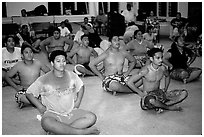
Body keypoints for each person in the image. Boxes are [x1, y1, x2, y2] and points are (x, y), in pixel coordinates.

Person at [25, 50, 100, 135]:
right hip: (53, 115)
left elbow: (81, 86)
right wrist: (40, 106)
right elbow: (29, 93)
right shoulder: (44, 79)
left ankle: (60, 131)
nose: (62, 63)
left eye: (64, 61)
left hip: (70, 113)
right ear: (52, 63)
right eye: (58, 61)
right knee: (46, 122)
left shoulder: (72, 75)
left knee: (91, 117)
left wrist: (78, 101)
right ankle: (81, 132)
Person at [127, 48, 188, 113]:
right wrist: (140, 93)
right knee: (151, 101)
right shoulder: (145, 70)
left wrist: (165, 88)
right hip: (148, 96)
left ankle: (160, 106)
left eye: (161, 57)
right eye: (158, 58)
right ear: (151, 59)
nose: (161, 60)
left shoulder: (162, 68)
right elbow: (129, 82)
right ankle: (167, 107)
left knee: (184, 93)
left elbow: (167, 76)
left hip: (159, 94)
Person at [5, 43, 50, 108]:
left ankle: (35, 102)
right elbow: (7, 76)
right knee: (20, 97)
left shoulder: (38, 63)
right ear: (22, 55)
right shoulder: (18, 65)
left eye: (31, 52)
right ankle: (37, 102)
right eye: (26, 52)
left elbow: (49, 72)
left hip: (38, 90)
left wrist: (44, 82)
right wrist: (16, 87)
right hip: (24, 91)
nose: (29, 54)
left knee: (51, 92)